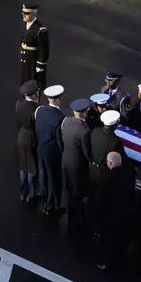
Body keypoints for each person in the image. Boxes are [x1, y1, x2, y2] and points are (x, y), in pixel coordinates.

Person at [95, 151, 136, 270]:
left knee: (108, 240)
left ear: (110, 163)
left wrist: (97, 216)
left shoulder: (107, 178)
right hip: (124, 213)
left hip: (110, 214)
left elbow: (101, 199)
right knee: (121, 238)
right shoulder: (129, 174)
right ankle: (121, 259)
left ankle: (107, 262)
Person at [91, 110, 126, 241]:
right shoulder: (115, 141)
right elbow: (119, 159)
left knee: (92, 198)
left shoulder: (94, 132)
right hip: (104, 175)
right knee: (101, 203)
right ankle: (98, 230)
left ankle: (90, 223)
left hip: (93, 171)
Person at [61, 98, 93, 235]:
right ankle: (76, 223)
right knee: (77, 194)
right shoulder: (84, 130)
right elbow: (87, 152)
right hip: (78, 165)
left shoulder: (66, 121)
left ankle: (71, 218)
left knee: (70, 191)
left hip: (66, 160)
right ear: (84, 113)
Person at [35, 84, 66, 216]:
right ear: (58, 99)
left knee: (44, 176)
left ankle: (45, 202)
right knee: (54, 179)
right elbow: (59, 139)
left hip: (41, 148)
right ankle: (52, 206)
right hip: (53, 152)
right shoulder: (60, 117)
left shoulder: (39, 110)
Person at [15, 80, 40, 202]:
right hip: (31, 138)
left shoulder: (19, 104)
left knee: (23, 165)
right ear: (34, 94)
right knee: (31, 167)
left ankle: (22, 192)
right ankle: (31, 194)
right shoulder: (36, 109)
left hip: (21, 136)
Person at [19, 4, 49, 90]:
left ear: (33, 14)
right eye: (23, 13)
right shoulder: (25, 25)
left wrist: (40, 65)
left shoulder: (40, 30)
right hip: (26, 61)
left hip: (33, 62)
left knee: (33, 85)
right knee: (25, 83)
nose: (23, 15)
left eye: (26, 14)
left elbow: (44, 49)